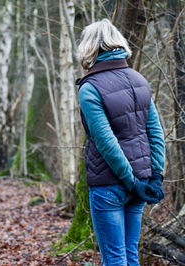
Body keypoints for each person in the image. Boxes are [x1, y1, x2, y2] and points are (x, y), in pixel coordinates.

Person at [76, 19, 165, 265]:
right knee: (129, 255)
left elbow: (106, 142)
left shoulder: (90, 88)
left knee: (115, 258)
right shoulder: (138, 79)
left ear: (89, 48)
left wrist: (131, 180)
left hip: (110, 185)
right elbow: (156, 132)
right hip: (141, 181)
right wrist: (155, 175)